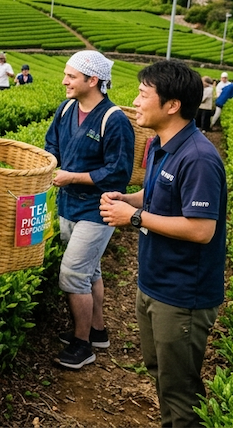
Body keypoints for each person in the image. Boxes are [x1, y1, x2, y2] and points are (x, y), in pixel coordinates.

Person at [100, 60, 226, 428]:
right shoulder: (161, 144)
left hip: (183, 294)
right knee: (159, 371)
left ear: (171, 105)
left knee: (179, 388)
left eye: (143, 95)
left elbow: (201, 229)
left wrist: (134, 218)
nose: (135, 102)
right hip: (154, 283)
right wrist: (129, 200)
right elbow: (157, 194)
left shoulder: (199, 158)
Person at [44, 51, 134, 370]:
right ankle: (98, 330)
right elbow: (51, 144)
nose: (64, 81)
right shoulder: (66, 109)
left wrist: (75, 177)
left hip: (99, 207)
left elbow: (119, 171)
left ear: (92, 80)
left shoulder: (114, 119)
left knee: (72, 274)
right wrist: (50, 165)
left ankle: (82, 345)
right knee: (89, 270)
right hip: (69, 203)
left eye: (71, 76)